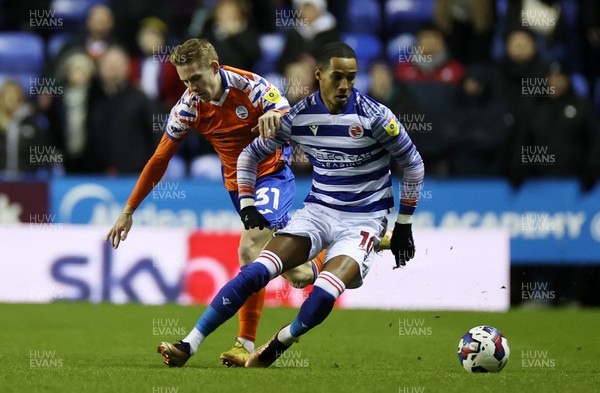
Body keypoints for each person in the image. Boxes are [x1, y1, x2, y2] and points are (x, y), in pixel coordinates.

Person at [156, 41, 424, 368]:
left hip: (364, 219)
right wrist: (248, 201)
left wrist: (405, 224)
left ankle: (279, 340)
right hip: (317, 212)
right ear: (319, 74)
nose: (345, 86)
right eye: (338, 77)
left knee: (318, 287)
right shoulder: (300, 115)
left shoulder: (376, 117)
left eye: (351, 78)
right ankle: (190, 343)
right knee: (265, 269)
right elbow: (250, 154)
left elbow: (413, 164)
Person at [105, 38, 326, 367]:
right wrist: (128, 210)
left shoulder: (249, 86)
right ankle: (333, 244)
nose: (191, 87)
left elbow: (283, 110)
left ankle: (225, 343)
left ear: (213, 67)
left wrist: (275, 117)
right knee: (298, 275)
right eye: (184, 81)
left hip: (272, 175)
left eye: (195, 78)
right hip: (238, 188)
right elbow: (159, 160)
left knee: (250, 249)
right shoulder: (188, 107)